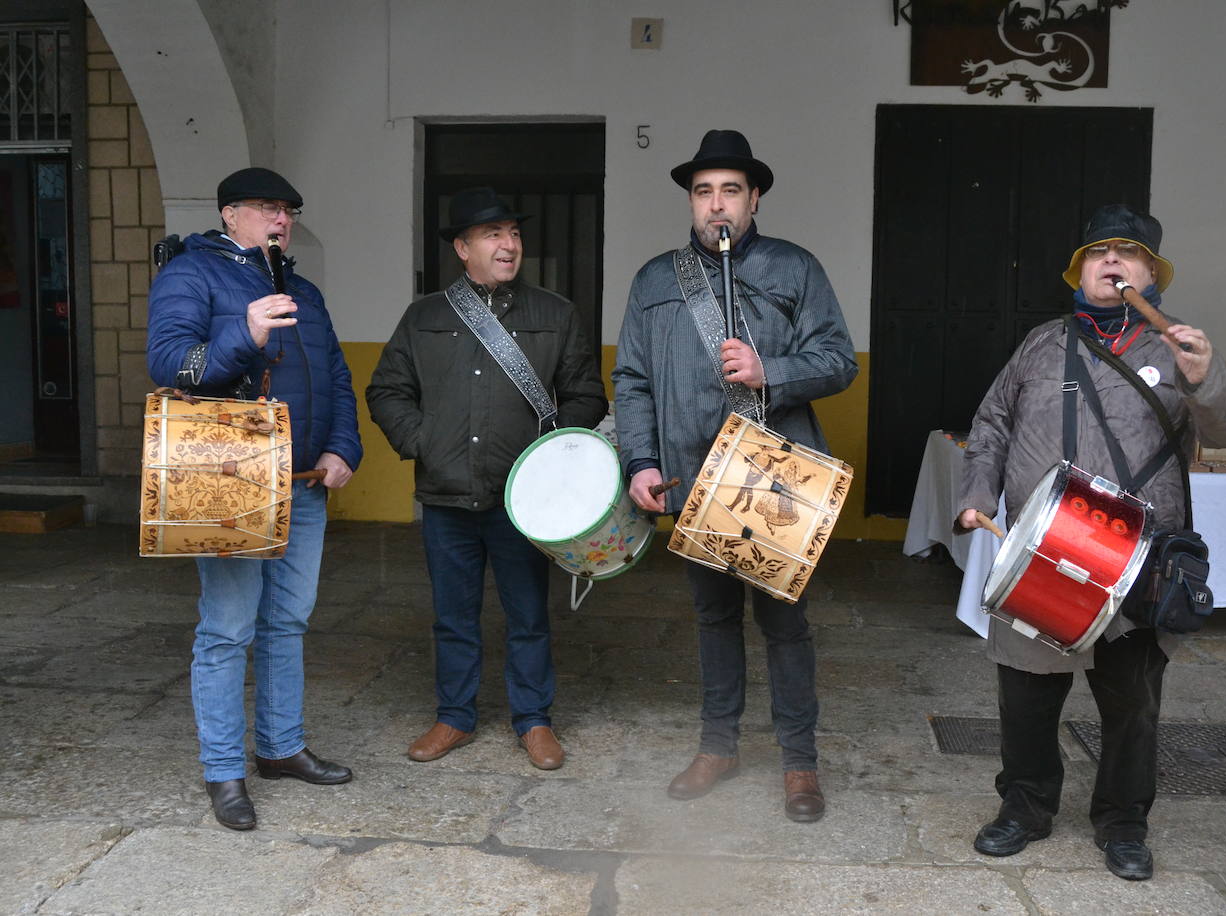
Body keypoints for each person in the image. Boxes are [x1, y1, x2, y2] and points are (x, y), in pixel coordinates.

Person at [955, 204, 1226, 879]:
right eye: (1099, 253)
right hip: (1044, 552)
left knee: (1132, 704)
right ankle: (1025, 807)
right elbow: (992, 422)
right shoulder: (1040, 343)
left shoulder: (1177, 350)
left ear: (1151, 272)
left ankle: (1123, 822)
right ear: (1081, 269)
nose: (1112, 263)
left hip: (1137, 561)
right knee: (1026, 695)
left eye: (1128, 253)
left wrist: (1208, 375)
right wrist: (976, 495)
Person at [612, 130, 858, 822]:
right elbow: (630, 379)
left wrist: (769, 371)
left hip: (773, 476)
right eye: (703, 192)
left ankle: (799, 763)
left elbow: (840, 359)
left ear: (754, 199)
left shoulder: (795, 268)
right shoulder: (654, 280)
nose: (716, 204)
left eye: (730, 191)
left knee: (785, 624)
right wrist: (642, 459)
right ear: (691, 201)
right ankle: (717, 746)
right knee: (713, 619)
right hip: (693, 473)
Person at [147, 167, 363, 831]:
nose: (282, 219)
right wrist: (245, 330)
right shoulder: (190, 273)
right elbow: (169, 363)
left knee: (288, 622)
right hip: (229, 473)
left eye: (289, 210)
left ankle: (280, 747)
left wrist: (343, 448)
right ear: (231, 214)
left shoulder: (303, 289)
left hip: (303, 482)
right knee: (227, 630)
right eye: (269, 208)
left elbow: (334, 373)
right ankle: (223, 772)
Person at [366, 187, 606, 771]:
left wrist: (549, 455)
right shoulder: (424, 316)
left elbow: (587, 395)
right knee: (453, 616)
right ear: (462, 248)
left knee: (528, 616)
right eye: (494, 234)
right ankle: (455, 716)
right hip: (446, 497)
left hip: (522, 502)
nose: (509, 245)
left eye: (515, 234)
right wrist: (423, 443)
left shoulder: (556, 314)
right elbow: (386, 390)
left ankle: (534, 720)